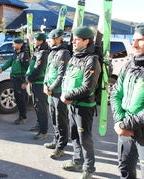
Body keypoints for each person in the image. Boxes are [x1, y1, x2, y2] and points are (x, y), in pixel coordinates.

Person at [60, 26, 101, 179]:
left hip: (84, 107)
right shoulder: (74, 57)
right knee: (74, 136)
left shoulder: (92, 60)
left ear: (86, 41)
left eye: (76, 40)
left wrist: (68, 95)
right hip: (72, 104)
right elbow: (66, 77)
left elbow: (88, 87)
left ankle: (89, 169)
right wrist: (65, 93)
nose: (73, 42)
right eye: (73, 39)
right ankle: (77, 161)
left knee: (85, 139)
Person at [110, 23, 144, 179]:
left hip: (140, 130)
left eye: (140, 40)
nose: (134, 44)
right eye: (134, 39)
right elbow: (116, 92)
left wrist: (125, 124)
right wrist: (120, 121)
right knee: (125, 170)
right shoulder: (129, 65)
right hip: (125, 128)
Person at [43, 29, 71, 159]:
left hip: (58, 92)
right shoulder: (52, 52)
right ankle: (56, 140)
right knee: (54, 117)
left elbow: (62, 75)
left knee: (61, 120)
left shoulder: (64, 53)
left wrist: (51, 88)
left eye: (51, 39)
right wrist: (45, 84)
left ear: (58, 38)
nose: (49, 41)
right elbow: (47, 71)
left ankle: (61, 147)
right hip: (50, 91)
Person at [21, 32, 49, 140]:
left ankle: (43, 131)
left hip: (39, 84)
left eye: (35, 40)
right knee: (37, 107)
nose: (33, 41)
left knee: (41, 108)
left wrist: (29, 79)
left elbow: (38, 69)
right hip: (35, 83)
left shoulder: (43, 53)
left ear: (41, 41)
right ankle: (39, 125)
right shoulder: (38, 51)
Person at [1, 38, 30, 124]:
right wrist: (1, 68)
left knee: (21, 99)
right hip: (15, 79)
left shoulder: (24, 55)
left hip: (20, 79)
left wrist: (26, 82)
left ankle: (23, 117)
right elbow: (9, 62)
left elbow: (28, 69)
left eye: (14, 44)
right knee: (17, 99)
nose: (12, 45)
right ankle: (21, 116)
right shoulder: (16, 53)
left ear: (20, 44)